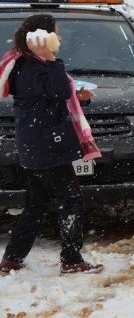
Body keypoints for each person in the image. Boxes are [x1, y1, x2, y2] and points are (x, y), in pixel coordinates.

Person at [0, 14, 103, 275]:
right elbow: (58, 91)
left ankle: (12, 257)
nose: (60, 38)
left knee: (36, 203)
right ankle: (71, 259)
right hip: (47, 147)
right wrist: (51, 58)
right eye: (56, 33)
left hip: (38, 144)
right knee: (71, 200)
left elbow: (54, 97)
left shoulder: (27, 64)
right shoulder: (32, 66)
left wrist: (80, 97)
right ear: (43, 37)